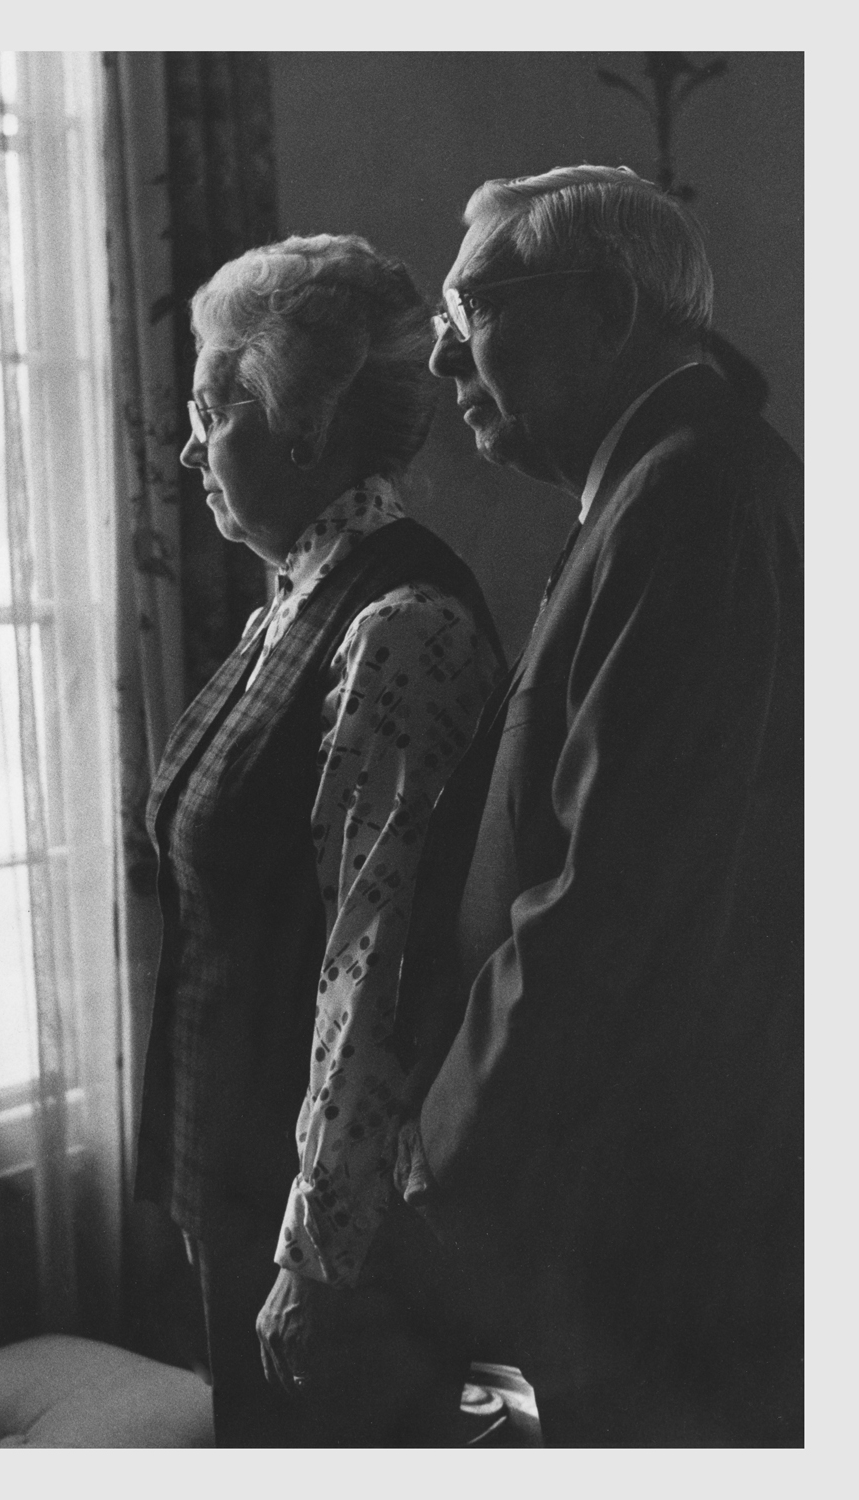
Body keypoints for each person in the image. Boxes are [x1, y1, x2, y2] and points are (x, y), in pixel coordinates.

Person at [392, 166, 803, 1446]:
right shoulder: (666, 479)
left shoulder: (686, 495)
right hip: (637, 1170)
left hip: (653, 1197)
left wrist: (443, 1136)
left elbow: (614, 892)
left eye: (475, 313)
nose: (445, 361)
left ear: (611, 307)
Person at [134, 233, 503, 1445]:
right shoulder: (292, 596)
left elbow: (374, 968)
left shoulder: (397, 625)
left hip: (327, 1225)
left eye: (212, 413)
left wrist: (315, 1252)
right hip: (234, 1171)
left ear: (302, 431)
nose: (189, 450)